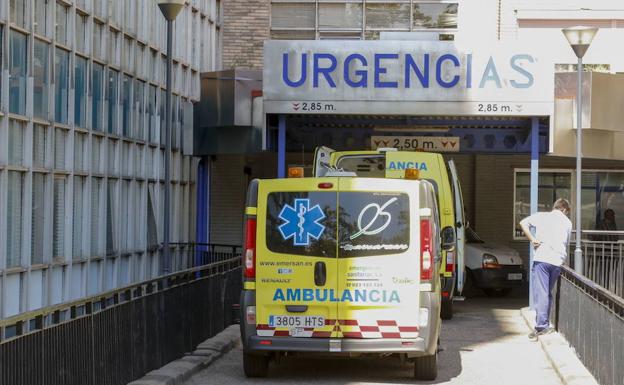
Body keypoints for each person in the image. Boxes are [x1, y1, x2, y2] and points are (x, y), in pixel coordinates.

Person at [519, 198, 572, 341]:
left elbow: (522, 223)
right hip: (557, 261)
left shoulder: (542, 216)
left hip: (542, 259)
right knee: (547, 292)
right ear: (564, 210)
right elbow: (566, 242)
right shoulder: (567, 222)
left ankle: (541, 326)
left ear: (555, 207)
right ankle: (545, 322)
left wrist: (532, 239)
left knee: (541, 292)